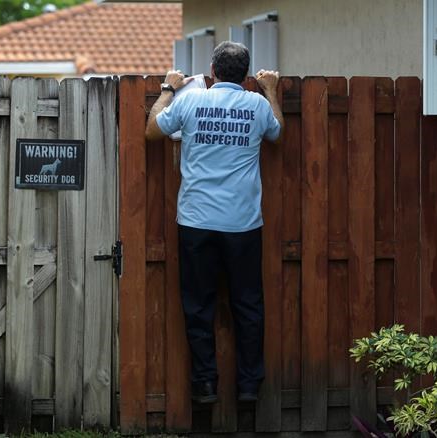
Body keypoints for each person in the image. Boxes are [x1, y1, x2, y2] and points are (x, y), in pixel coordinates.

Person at [145, 41, 284, 404]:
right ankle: (249, 386)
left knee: (198, 305)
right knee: (248, 306)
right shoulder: (256, 105)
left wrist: (168, 87)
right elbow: (277, 133)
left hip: (197, 220)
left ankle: (205, 384)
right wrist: (270, 91)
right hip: (243, 223)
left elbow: (153, 130)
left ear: (212, 70)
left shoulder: (191, 100)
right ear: (247, 74)